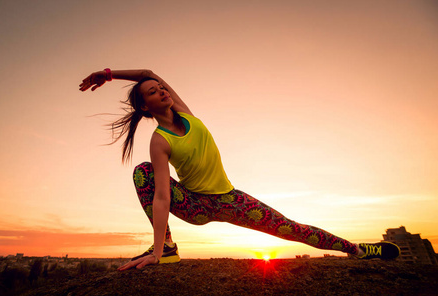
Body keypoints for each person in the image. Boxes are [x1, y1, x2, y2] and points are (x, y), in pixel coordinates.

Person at [79, 68, 400, 270]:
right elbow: (162, 196)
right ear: (146, 107)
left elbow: (148, 71)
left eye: (161, 88)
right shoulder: (160, 140)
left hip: (230, 199)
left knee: (290, 227)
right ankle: (169, 250)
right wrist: (159, 249)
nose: (162, 90)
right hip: (195, 205)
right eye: (153, 92)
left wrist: (110, 74)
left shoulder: (187, 115)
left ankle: (358, 249)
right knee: (142, 172)